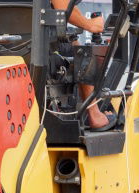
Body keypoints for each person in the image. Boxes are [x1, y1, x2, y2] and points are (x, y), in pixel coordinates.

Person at [49, 0, 115, 130]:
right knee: (84, 54)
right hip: (42, 49)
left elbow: (69, 6)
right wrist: (91, 25)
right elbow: (63, 7)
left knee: (73, 42)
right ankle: (95, 115)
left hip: (4, 48)